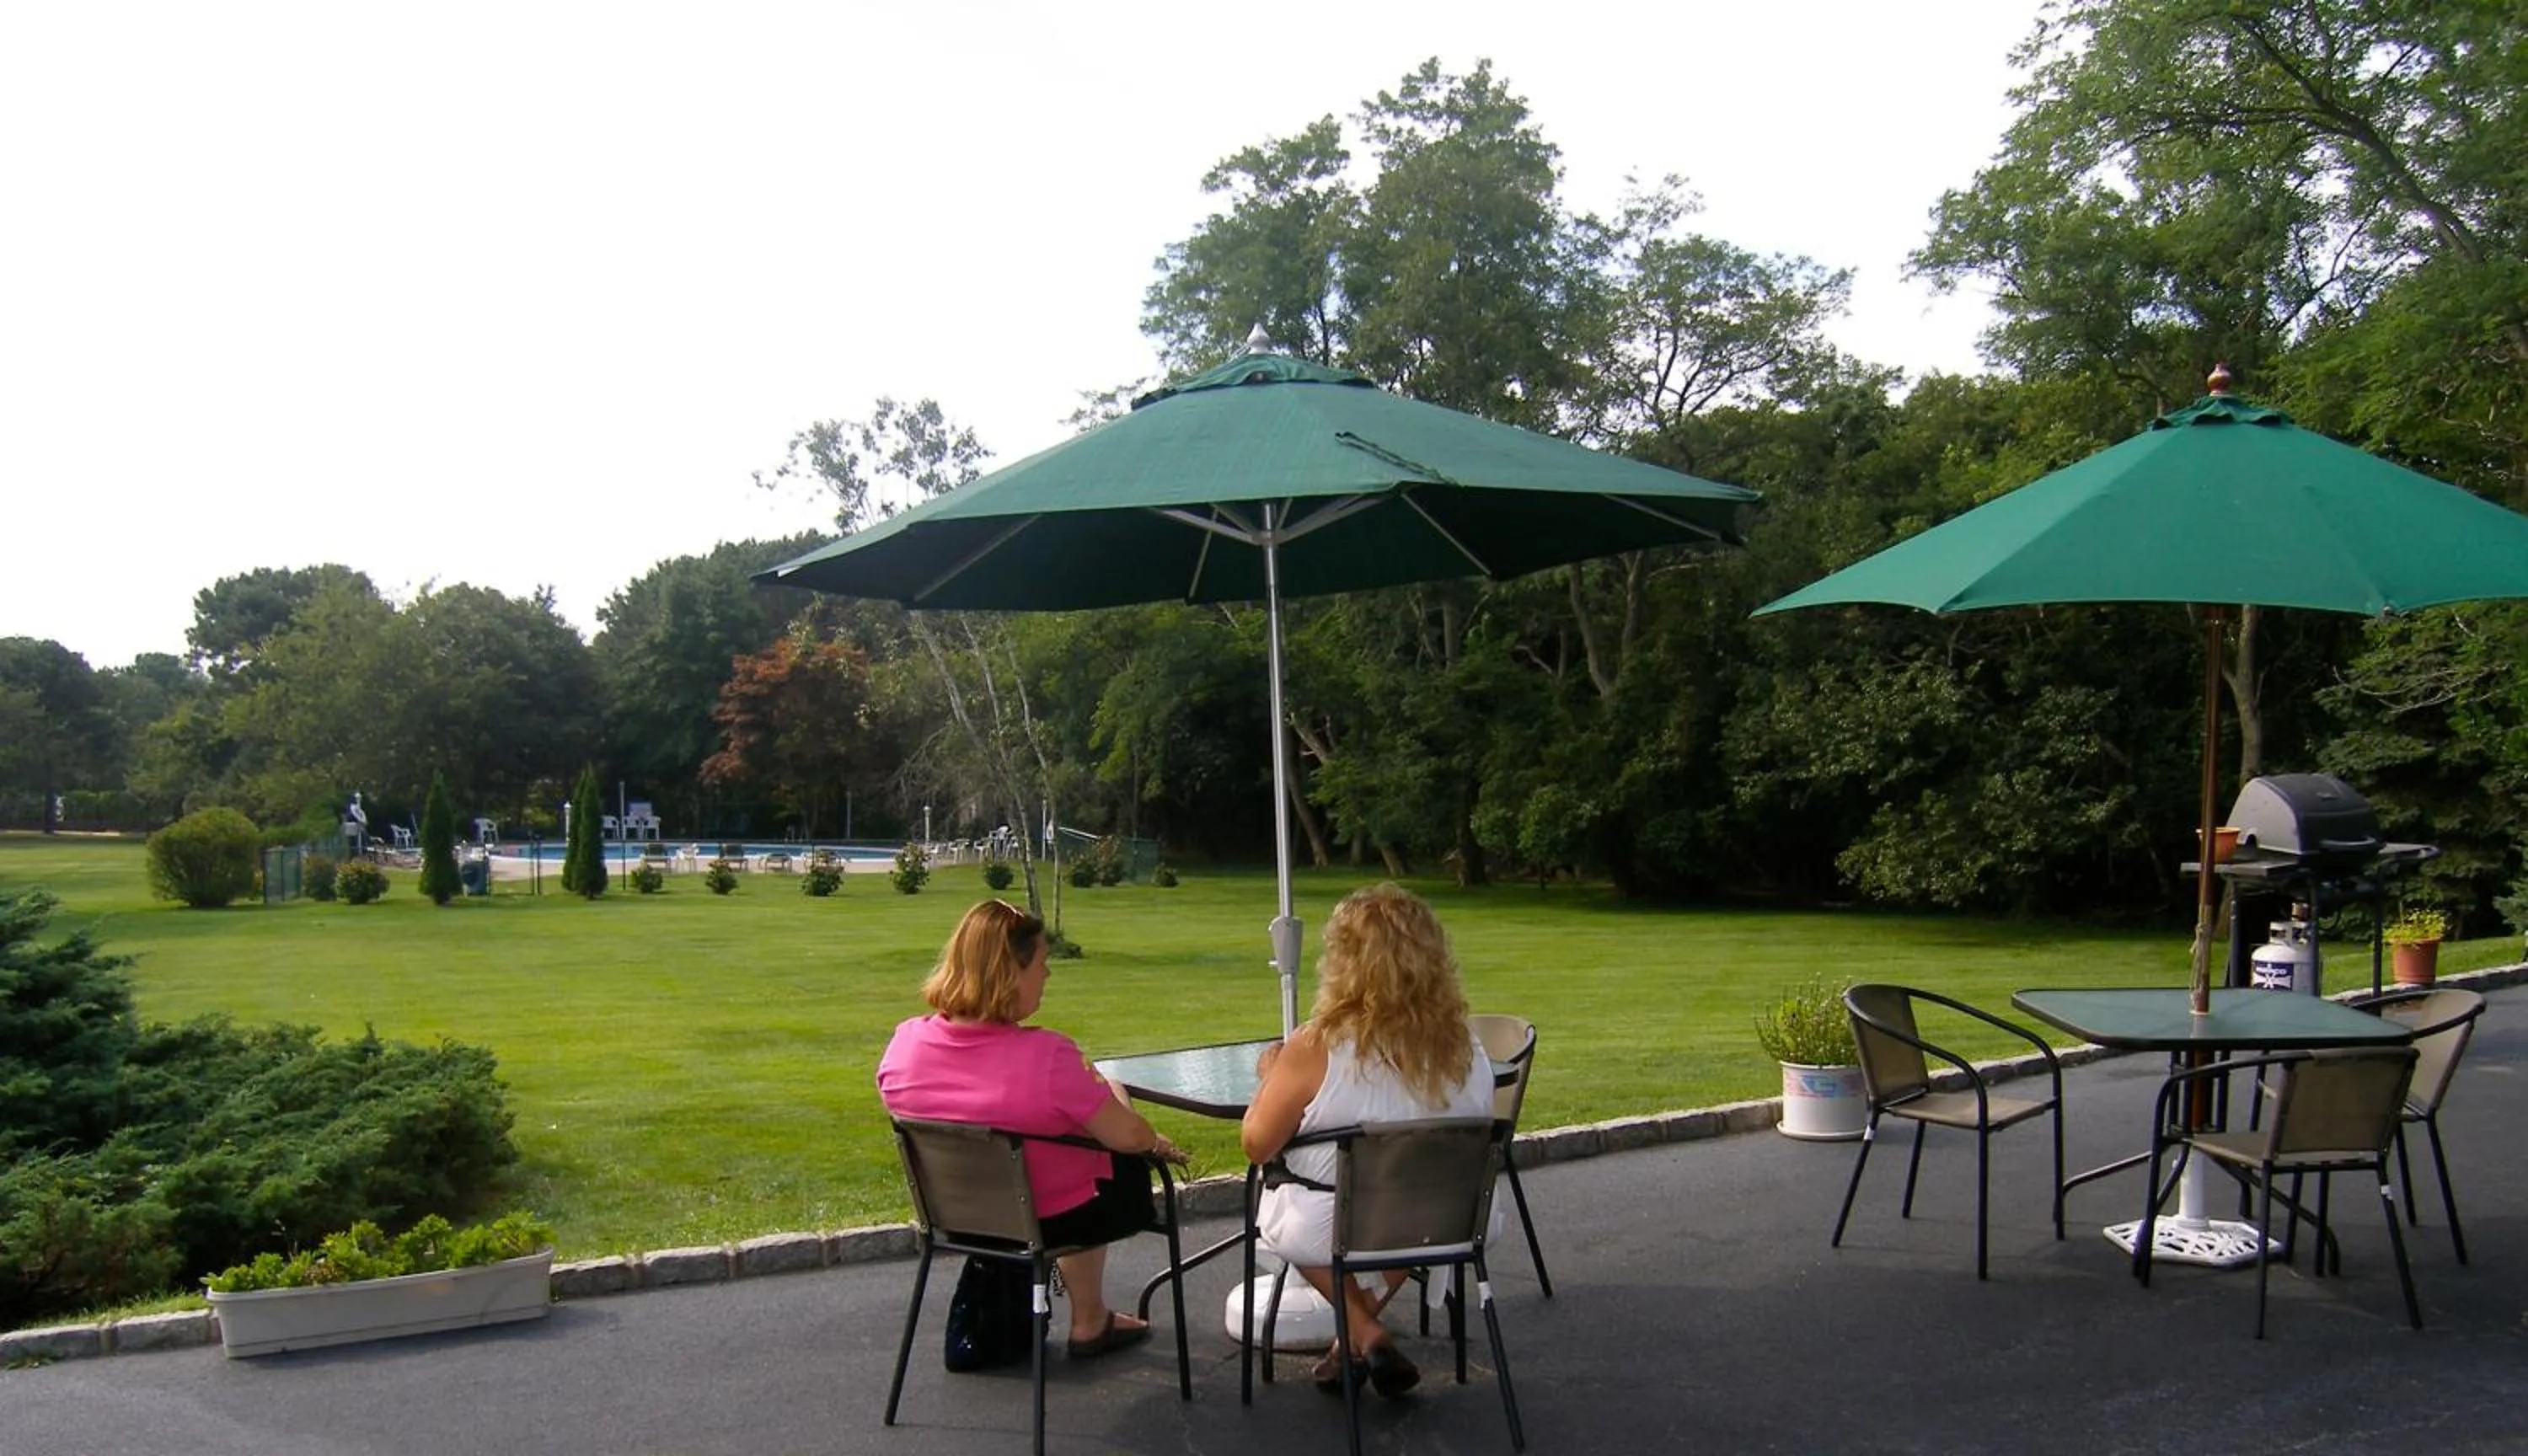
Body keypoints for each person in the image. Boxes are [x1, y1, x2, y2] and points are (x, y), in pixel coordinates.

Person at [877, 898, 1186, 1359]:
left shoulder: (905, 1046)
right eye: (1042, 963)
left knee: (1075, 1159)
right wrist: (1116, 1096)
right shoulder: (1048, 1058)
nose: (1048, 974)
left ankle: (1087, 1317)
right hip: (1043, 1220)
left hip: (955, 1218)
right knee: (1114, 1168)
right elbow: (1133, 1139)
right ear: (1010, 973)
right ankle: (1089, 1319)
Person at [1240, 882, 1495, 1399]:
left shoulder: (1317, 1045)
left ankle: (1365, 1334)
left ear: (1344, 960)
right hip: (1452, 1217)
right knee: (1405, 1214)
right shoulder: (1467, 1046)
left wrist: (1270, 1076)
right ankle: (1357, 1340)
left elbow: (1257, 1145)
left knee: (1285, 1204)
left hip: (1337, 1224)